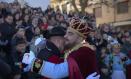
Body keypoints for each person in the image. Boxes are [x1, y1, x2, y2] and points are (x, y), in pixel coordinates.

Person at [23, 17, 99, 79]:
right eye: (66, 33)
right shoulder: (73, 50)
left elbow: (56, 72)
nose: (65, 36)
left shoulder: (83, 52)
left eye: (70, 34)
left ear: (79, 38)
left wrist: (33, 62)